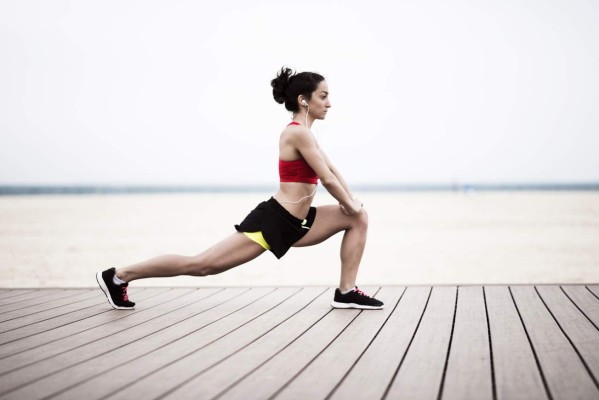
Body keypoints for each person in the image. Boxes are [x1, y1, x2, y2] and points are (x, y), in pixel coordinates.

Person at [96, 67, 384, 311]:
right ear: (303, 100)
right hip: (273, 220)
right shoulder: (296, 132)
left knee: (358, 217)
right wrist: (347, 201)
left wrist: (352, 203)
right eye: (323, 96)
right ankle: (119, 275)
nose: (329, 103)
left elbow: (334, 171)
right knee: (203, 265)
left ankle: (346, 292)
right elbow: (328, 180)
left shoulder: (307, 133)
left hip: (301, 220)